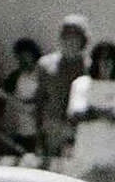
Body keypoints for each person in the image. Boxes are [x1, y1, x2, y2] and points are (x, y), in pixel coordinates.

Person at [67, 40, 115, 176]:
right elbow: (76, 114)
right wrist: (106, 112)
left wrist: (94, 111)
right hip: (84, 156)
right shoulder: (81, 84)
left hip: (112, 156)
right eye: (101, 59)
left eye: (110, 59)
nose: (105, 63)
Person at [36, 14, 90, 159]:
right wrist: (40, 134)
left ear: (83, 39)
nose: (70, 40)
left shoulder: (90, 67)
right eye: (66, 35)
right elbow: (40, 100)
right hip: (53, 128)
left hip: (80, 130)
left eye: (75, 36)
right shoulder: (46, 65)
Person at [2, 37, 42, 154]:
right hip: (19, 126)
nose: (24, 60)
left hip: (38, 128)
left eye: (27, 56)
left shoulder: (42, 75)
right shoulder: (15, 76)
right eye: (21, 56)